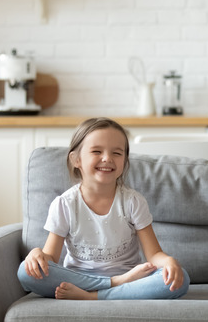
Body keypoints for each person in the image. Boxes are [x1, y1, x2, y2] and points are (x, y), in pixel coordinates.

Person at [17, 117, 189, 300]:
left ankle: (94, 296)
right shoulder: (65, 204)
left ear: (125, 161)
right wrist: (37, 254)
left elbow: (154, 254)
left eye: (117, 153)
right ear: (76, 160)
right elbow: (50, 256)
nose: (107, 158)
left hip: (131, 279)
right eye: (97, 151)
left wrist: (169, 261)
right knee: (25, 272)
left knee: (181, 279)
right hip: (84, 279)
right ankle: (114, 285)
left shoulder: (133, 202)